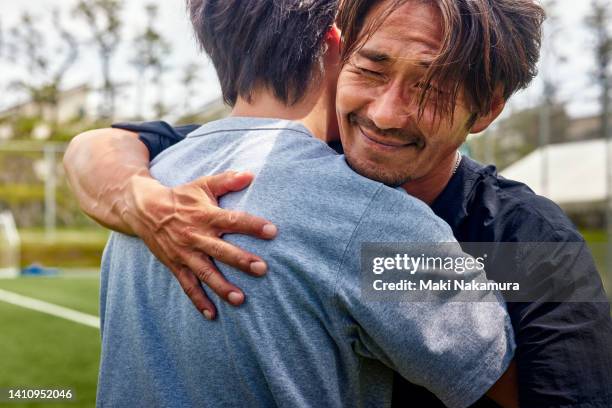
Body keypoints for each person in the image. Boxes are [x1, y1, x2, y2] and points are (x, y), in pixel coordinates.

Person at [64, 0, 612, 407]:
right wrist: (142, 202)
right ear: (337, 57)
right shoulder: (266, 161)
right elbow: (101, 146)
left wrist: (388, 269)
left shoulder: (532, 247)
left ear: (487, 110)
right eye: (371, 69)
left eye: (433, 87)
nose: (387, 113)